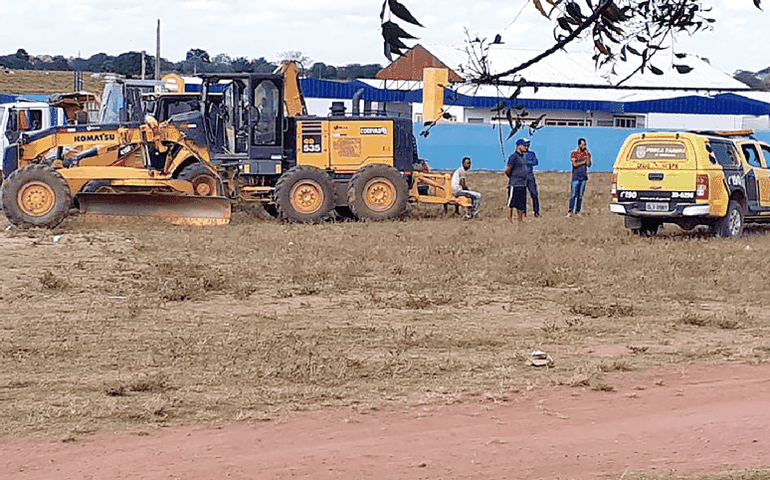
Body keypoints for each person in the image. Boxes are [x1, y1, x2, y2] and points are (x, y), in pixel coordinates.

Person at [505, 139, 530, 223]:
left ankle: (520, 220)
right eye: (524, 146)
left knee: (521, 204)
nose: (526, 147)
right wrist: (512, 177)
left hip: (522, 184)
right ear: (519, 146)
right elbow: (508, 170)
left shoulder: (523, 157)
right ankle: (509, 219)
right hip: (515, 184)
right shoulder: (513, 157)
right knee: (511, 203)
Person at [568, 137, 592, 217]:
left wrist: (588, 157)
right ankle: (570, 211)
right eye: (583, 144)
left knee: (580, 195)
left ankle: (578, 211)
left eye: (585, 144)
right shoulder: (574, 153)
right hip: (576, 177)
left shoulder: (586, 154)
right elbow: (575, 164)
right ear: (579, 145)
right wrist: (583, 162)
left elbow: (588, 164)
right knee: (573, 194)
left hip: (583, 177)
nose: (584, 146)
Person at [521, 138, 540, 217]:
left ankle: (536, 211)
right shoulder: (519, 154)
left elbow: (535, 162)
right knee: (522, 195)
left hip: (530, 175)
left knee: (534, 193)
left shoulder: (531, 154)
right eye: (525, 145)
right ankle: (523, 211)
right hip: (521, 176)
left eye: (528, 145)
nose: (527, 146)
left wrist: (526, 162)